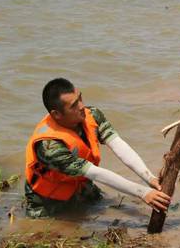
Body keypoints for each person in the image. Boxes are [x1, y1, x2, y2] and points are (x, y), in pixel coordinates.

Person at [24, 78, 171, 217]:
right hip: (48, 201)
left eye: (80, 98)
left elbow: (118, 145)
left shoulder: (92, 115)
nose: (82, 106)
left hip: (80, 185)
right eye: (74, 105)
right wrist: (142, 192)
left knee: (106, 208)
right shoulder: (49, 146)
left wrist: (149, 178)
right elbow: (95, 173)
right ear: (56, 114)